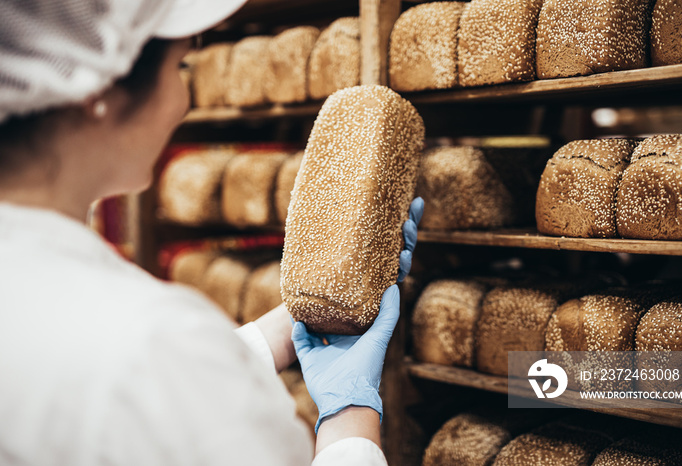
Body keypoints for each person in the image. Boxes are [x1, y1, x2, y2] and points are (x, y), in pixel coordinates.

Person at [0, 1, 424, 465]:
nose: (183, 98)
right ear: (95, 91)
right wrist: (351, 413)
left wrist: (281, 331)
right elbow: (158, 374)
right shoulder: (156, 341)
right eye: (179, 66)